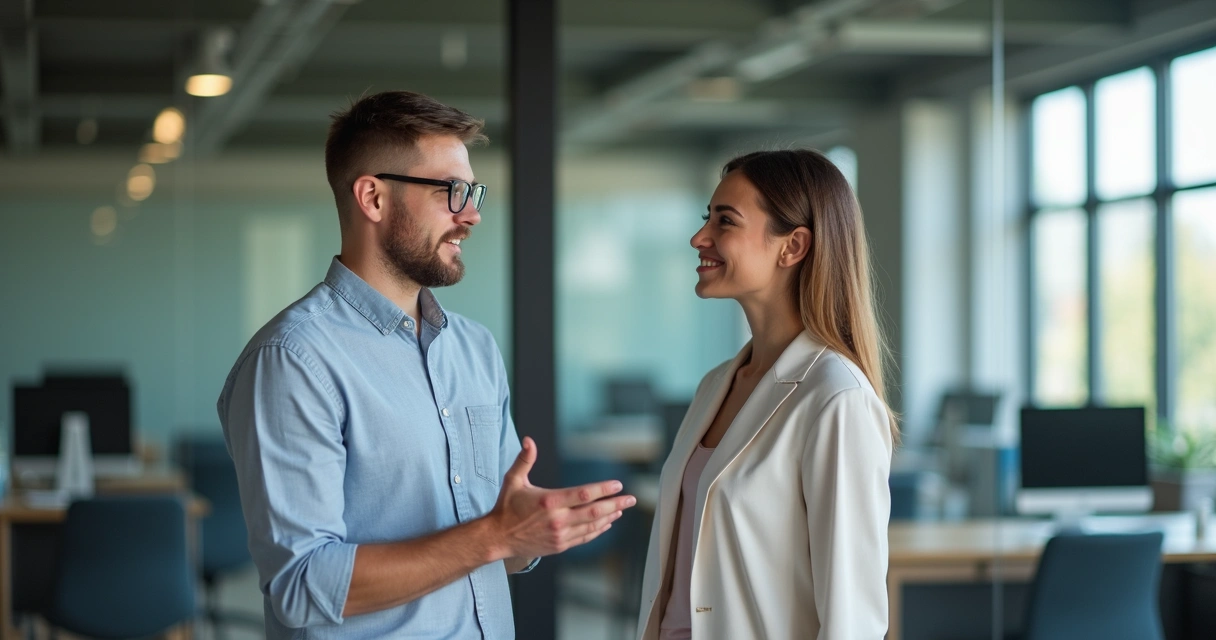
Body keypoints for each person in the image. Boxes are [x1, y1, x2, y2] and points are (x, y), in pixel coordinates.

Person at [217, 90, 635, 639]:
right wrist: (495, 536)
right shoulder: (293, 359)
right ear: (372, 197)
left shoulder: (475, 348)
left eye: (473, 191)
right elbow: (302, 584)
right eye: (452, 192)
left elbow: (502, 542)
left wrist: (530, 529)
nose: (472, 214)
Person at [634, 149, 898, 640]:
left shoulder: (836, 399)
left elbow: (852, 621)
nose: (699, 237)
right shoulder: (716, 384)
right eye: (705, 218)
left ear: (792, 246)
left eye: (725, 221)